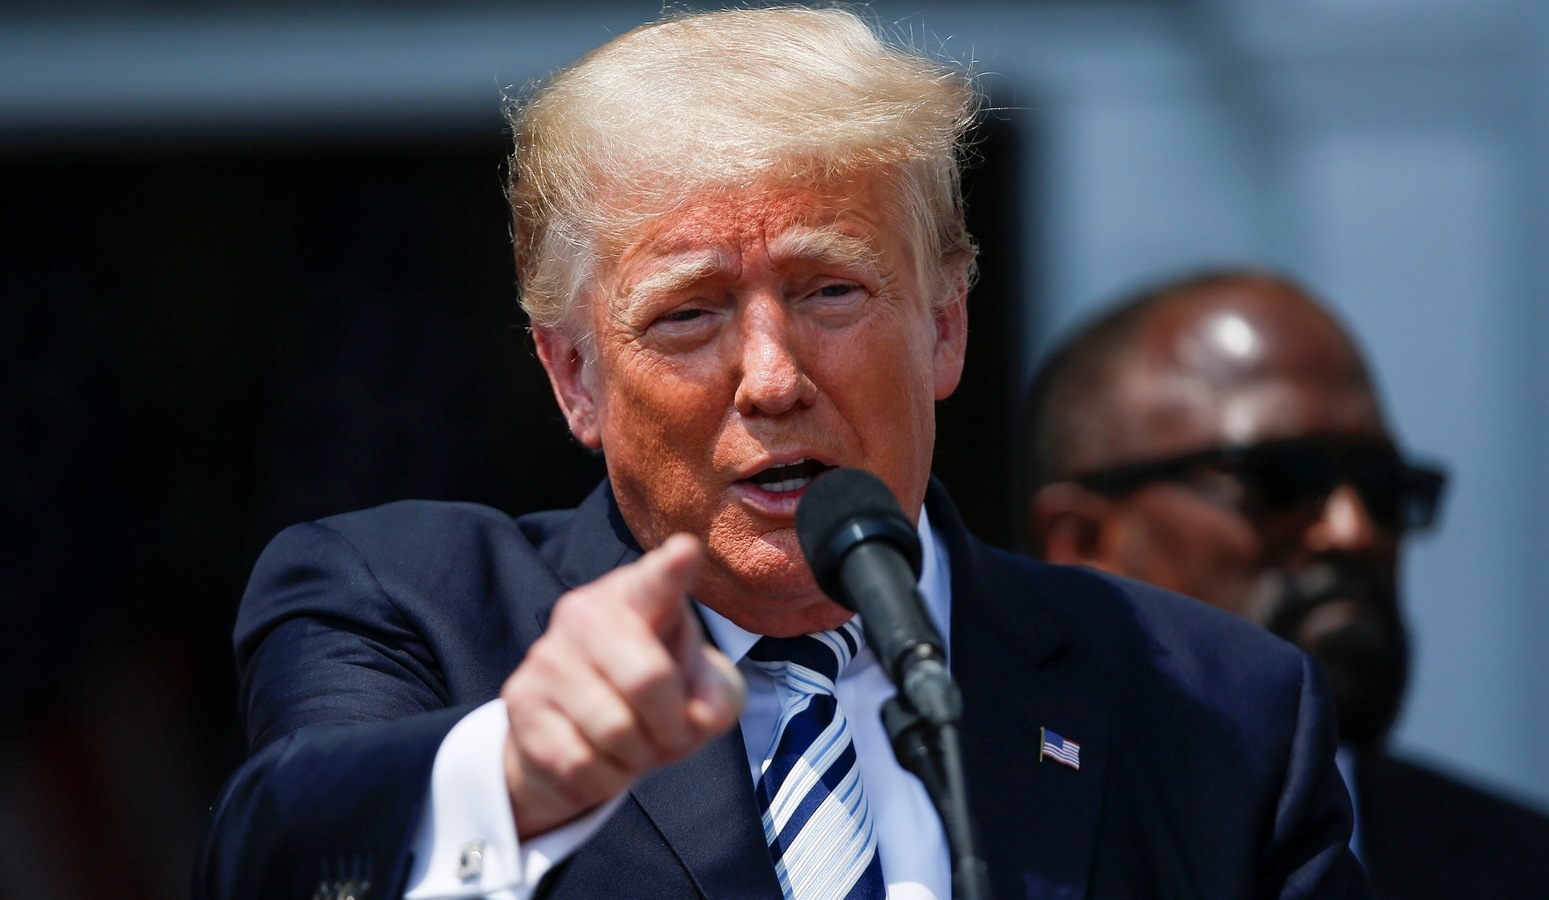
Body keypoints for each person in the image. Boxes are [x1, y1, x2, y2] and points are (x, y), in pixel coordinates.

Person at [196, 10, 1369, 899]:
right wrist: (514, 775)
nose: (771, 375)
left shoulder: (1218, 705)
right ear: (573, 376)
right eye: (688, 314)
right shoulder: (409, 609)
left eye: (830, 291)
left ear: (945, 323)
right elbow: (278, 852)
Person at [1023, 268, 1549, 899]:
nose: (1353, 531)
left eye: (1387, 490)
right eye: (1280, 479)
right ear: (1083, 539)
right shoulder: (979, 836)